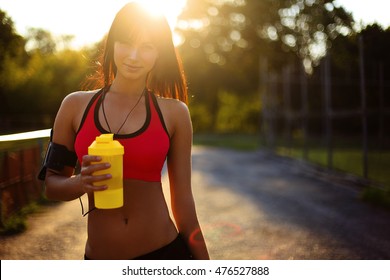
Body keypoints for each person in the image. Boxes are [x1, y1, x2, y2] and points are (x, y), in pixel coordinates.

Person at [39, 2, 209, 260]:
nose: (133, 56)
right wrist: (80, 183)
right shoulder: (75, 106)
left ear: (159, 53)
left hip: (164, 255)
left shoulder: (175, 113)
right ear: (112, 44)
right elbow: (51, 186)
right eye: (126, 43)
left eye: (147, 47)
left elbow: (183, 204)